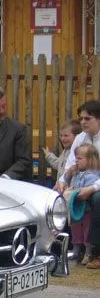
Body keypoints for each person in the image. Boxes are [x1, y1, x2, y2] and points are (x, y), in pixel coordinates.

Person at [53, 100, 100, 269]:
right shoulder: (80, 137)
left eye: (87, 118)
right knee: (55, 195)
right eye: (81, 119)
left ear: (98, 119)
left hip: (96, 184)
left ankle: (95, 251)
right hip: (81, 183)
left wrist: (91, 188)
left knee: (97, 199)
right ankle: (58, 246)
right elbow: (70, 165)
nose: (83, 122)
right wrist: (62, 182)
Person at [62, 144, 100, 265]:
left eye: (79, 158)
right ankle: (76, 249)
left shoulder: (93, 175)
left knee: (87, 229)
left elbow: (87, 191)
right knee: (75, 228)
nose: (76, 161)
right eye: (76, 158)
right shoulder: (76, 173)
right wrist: (69, 173)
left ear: (90, 160)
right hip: (75, 208)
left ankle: (88, 251)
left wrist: (75, 191)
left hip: (86, 208)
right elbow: (67, 180)